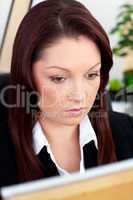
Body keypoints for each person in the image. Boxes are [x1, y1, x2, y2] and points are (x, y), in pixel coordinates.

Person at [0, 0, 133, 188]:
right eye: (59, 78)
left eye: (92, 74)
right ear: (27, 75)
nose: (79, 96)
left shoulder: (127, 132)